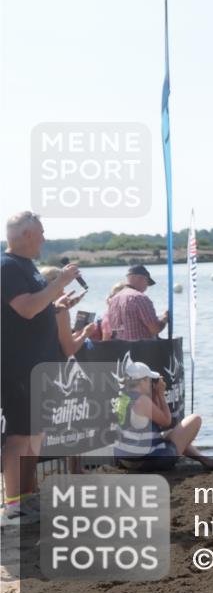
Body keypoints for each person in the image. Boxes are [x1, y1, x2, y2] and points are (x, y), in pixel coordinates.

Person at [2, 212, 80, 526]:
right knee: (20, 437)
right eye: (41, 232)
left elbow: (36, 305)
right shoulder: (7, 266)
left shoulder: (26, 266)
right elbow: (27, 308)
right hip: (19, 366)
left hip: (38, 364)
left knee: (35, 435)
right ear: (24, 234)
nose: (45, 238)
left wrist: (57, 305)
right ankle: (13, 504)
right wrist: (59, 282)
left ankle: (26, 498)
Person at [113, 359, 213, 471]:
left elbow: (156, 424)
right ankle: (205, 461)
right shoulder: (141, 401)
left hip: (125, 459)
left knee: (170, 433)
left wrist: (155, 394)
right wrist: (161, 395)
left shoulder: (123, 397)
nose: (151, 383)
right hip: (144, 462)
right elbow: (166, 421)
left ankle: (205, 460)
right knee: (195, 419)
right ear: (142, 382)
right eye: (149, 380)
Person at [39, 267, 98, 357]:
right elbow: (68, 350)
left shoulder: (34, 307)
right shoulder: (59, 310)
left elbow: (56, 342)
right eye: (63, 286)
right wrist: (85, 334)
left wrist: (79, 333)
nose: (64, 292)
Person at [104, 265, 169, 341]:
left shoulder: (113, 300)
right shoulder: (139, 298)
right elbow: (154, 329)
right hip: (142, 349)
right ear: (140, 278)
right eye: (147, 282)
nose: (146, 287)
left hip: (121, 349)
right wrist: (164, 319)